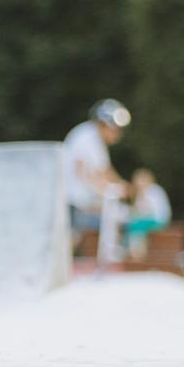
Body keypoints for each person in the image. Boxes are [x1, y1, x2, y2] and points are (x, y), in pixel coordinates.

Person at [63, 100, 131, 265]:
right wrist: (106, 189)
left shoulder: (94, 139)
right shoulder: (84, 137)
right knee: (72, 236)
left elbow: (104, 170)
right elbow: (82, 171)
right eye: (115, 129)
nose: (117, 134)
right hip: (73, 198)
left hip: (81, 198)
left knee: (119, 215)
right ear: (103, 124)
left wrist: (122, 185)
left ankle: (110, 258)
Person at [122, 169, 171, 262]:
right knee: (133, 225)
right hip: (150, 220)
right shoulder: (142, 193)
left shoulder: (153, 190)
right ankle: (134, 252)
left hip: (158, 220)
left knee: (136, 226)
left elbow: (148, 211)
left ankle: (136, 254)